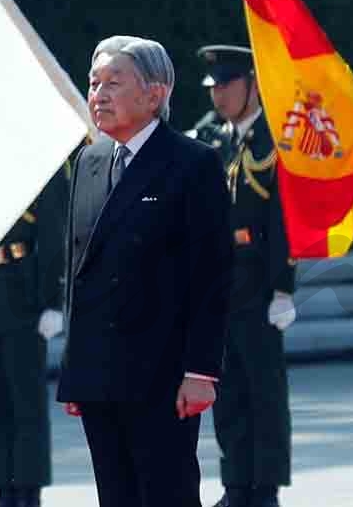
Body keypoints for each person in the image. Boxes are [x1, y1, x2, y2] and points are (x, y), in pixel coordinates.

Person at [57, 36, 231, 507]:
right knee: (115, 496)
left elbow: (211, 276)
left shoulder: (192, 164)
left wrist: (201, 371)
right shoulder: (91, 161)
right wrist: (76, 369)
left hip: (163, 374)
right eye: (95, 83)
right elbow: (80, 273)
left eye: (114, 82)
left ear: (156, 94)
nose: (100, 95)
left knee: (167, 494)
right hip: (101, 373)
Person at [188, 44, 294, 507]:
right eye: (214, 88)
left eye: (228, 86)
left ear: (252, 83)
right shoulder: (212, 137)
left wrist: (283, 288)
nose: (219, 96)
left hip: (258, 278)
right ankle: (235, 485)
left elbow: (284, 217)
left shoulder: (276, 139)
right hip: (217, 282)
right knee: (226, 389)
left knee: (263, 391)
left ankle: (264, 489)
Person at [0, 165, 68, 507]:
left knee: (26, 401)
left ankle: (28, 491)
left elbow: (54, 230)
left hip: (22, 289)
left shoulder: (40, 158)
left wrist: (53, 300)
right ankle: (4, 489)